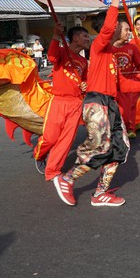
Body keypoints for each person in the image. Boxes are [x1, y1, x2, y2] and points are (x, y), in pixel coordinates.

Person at [52, 0, 140, 207]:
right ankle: (66, 179)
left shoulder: (112, 56)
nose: (129, 31)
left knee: (120, 148)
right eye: (125, 27)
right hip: (96, 103)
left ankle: (100, 194)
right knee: (99, 146)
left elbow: (122, 86)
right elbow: (107, 28)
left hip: (109, 103)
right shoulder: (99, 46)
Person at [34, 24, 89, 180]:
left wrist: (85, 85)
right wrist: (55, 36)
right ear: (75, 38)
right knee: (50, 138)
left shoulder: (83, 61)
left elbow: (86, 80)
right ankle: (40, 154)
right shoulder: (62, 51)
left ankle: (52, 170)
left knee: (66, 141)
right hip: (59, 101)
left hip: (76, 103)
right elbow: (51, 57)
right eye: (85, 36)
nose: (88, 39)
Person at [112, 20, 140, 139]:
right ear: (117, 31)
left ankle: (130, 128)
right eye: (126, 30)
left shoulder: (132, 47)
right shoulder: (108, 49)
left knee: (128, 109)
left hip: (128, 84)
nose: (129, 32)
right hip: (112, 86)